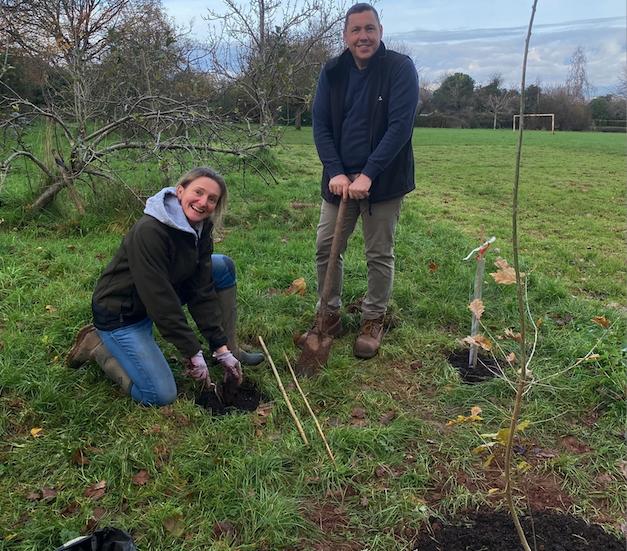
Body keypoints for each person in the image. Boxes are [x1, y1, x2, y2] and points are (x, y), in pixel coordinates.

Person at [66, 166, 264, 406]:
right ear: (180, 191)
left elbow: (200, 290)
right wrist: (191, 351)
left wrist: (219, 346)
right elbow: (159, 299)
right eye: (198, 192)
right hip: (123, 314)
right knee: (160, 395)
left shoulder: (200, 229)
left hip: (156, 297)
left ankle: (229, 350)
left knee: (221, 266)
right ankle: (97, 347)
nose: (203, 202)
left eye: (212, 199)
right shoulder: (150, 230)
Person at [299, 3, 419, 359]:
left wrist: (368, 174)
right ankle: (329, 315)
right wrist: (336, 170)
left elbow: (400, 127)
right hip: (338, 179)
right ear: (346, 36)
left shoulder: (399, 68)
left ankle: (373, 318)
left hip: (381, 178)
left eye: (370, 29)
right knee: (326, 246)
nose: (363, 36)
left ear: (380, 32)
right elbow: (319, 124)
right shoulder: (332, 71)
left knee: (378, 252)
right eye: (356, 30)